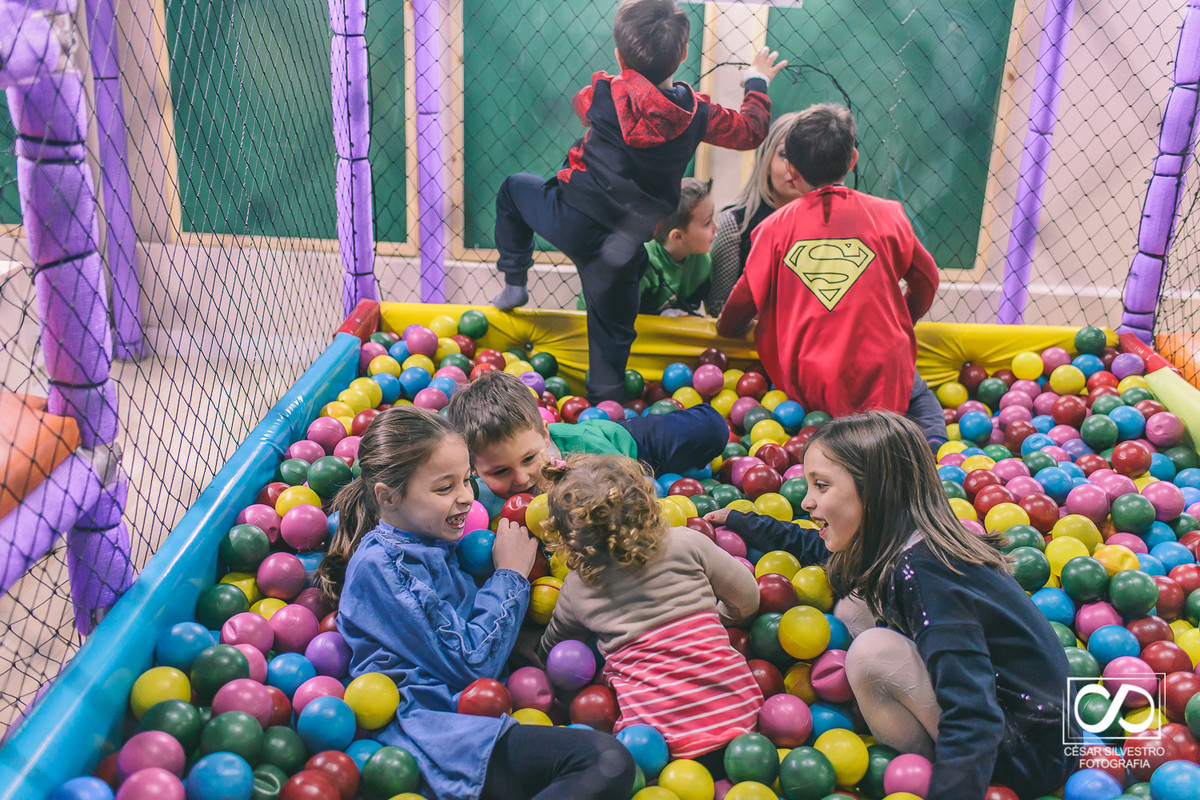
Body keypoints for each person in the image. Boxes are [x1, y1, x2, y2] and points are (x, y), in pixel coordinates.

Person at [704, 411, 1077, 800]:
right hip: (1035, 726)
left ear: (875, 491)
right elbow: (818, 548)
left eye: (822, 486)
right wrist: (741, 520)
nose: (808, 500)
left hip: (1027, 752)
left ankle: (923, 769)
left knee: (870, 652)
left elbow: (973, 712)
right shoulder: (904, 543)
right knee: (853, 601)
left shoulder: (927, 575)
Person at [318, 406, 636, 800]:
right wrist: (512, 576)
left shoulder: (433, 539)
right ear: (387, 497)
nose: (467, 498)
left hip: (485, 716)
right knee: (606, 760)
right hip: (440, 735)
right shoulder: (384, 567)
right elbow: (471, 663)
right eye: (444, 488)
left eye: (467, 480)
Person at [491, 0, 785, 402]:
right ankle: (605, 412)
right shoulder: (697, 114)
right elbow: (752, 132)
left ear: (618, 55)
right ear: (682, 56)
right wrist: (756, 81)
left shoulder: (601, 93)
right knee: (610, 341)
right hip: (620, 247)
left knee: (512, 189)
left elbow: (582, 109)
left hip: (568, 214)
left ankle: (514, 282)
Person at [715, 104, 947, 441]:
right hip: (882, 376)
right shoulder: (889, 216)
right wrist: (899, 321)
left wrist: (727, 329)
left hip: (807, 384)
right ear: (852, 160)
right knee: (921, 402)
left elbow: (739, 307)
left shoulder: (772, 229)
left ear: (791, 171)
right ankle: (932, 454)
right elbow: (927, 281)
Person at [537, 454, 762, 759]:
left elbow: (555, 650)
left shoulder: (577, 589)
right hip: (744, 720)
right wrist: (717, 619)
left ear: (567, 541)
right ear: (647, 501)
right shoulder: (687, 543)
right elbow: (748, 598)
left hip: (656, 743)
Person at [445, 371, 728, 517]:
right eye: (500, 472)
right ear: (472, 469)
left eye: (530, 458)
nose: (522, 478)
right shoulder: (473, 496)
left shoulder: (582, 445)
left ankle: (655, 415)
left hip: (630, 444)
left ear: (545, 434)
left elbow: (631, 478)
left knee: (711, 429)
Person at [705, 111, 804, 317]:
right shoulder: (735, 225)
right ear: (766, 160)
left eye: (805, 156)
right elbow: (718, 307)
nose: (793, 168)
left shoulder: (830, 227)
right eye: (784, 154)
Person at [577, 177, 717, 316]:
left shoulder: (702, 263)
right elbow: (609, 313)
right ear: (678, 237)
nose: (716, 227)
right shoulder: (639, 262)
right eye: (707, 223)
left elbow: (690, 308)